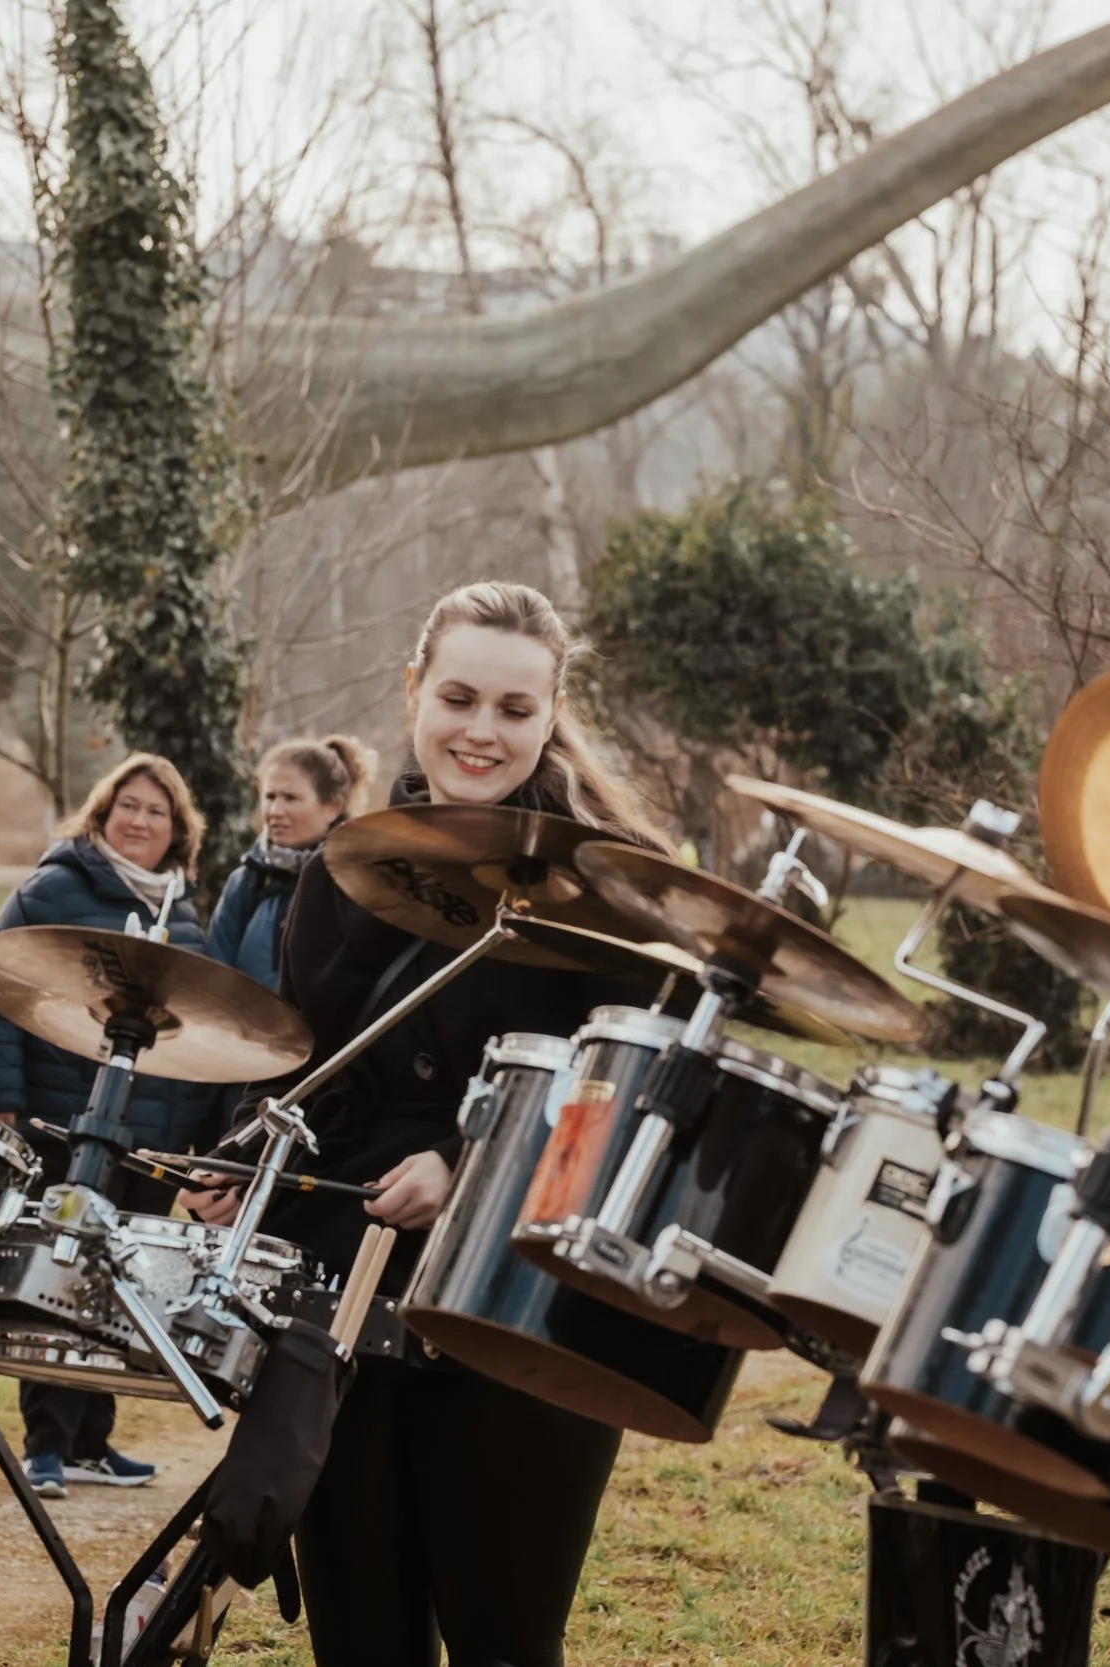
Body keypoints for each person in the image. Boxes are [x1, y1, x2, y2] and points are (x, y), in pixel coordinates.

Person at [186, 581, 669, 1667]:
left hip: (521, 1304)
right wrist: (247, 1151)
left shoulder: (609, 889)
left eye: (512, 707)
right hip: (341, 1296)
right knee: (363, 1635)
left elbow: (635, 1101)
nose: (480, 731)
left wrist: (473, 1162)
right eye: (458, 696)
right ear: (414, 691)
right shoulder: (338, 871)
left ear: (552, 713)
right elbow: (317, 1065)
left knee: (503, 1637)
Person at [0, 752, 222, 1500]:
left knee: (117, 1284)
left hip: (151, 1130)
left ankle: (91, 1440)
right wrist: (1, 1095)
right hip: (60, 1116)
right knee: (57, 1276)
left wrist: (197, 1140)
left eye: (156, 811)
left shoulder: (187, 909)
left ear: (178, 830)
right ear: (102, 813)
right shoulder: (57, 885)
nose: (139, 821)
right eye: (127, 806)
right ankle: (46, 1442)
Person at [209, 735, 376, 989]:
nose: (275, 811)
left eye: (290, 798)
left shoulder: (359, 883)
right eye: (270, 796)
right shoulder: (246, 882)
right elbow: (214, 976)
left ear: (332, 807)